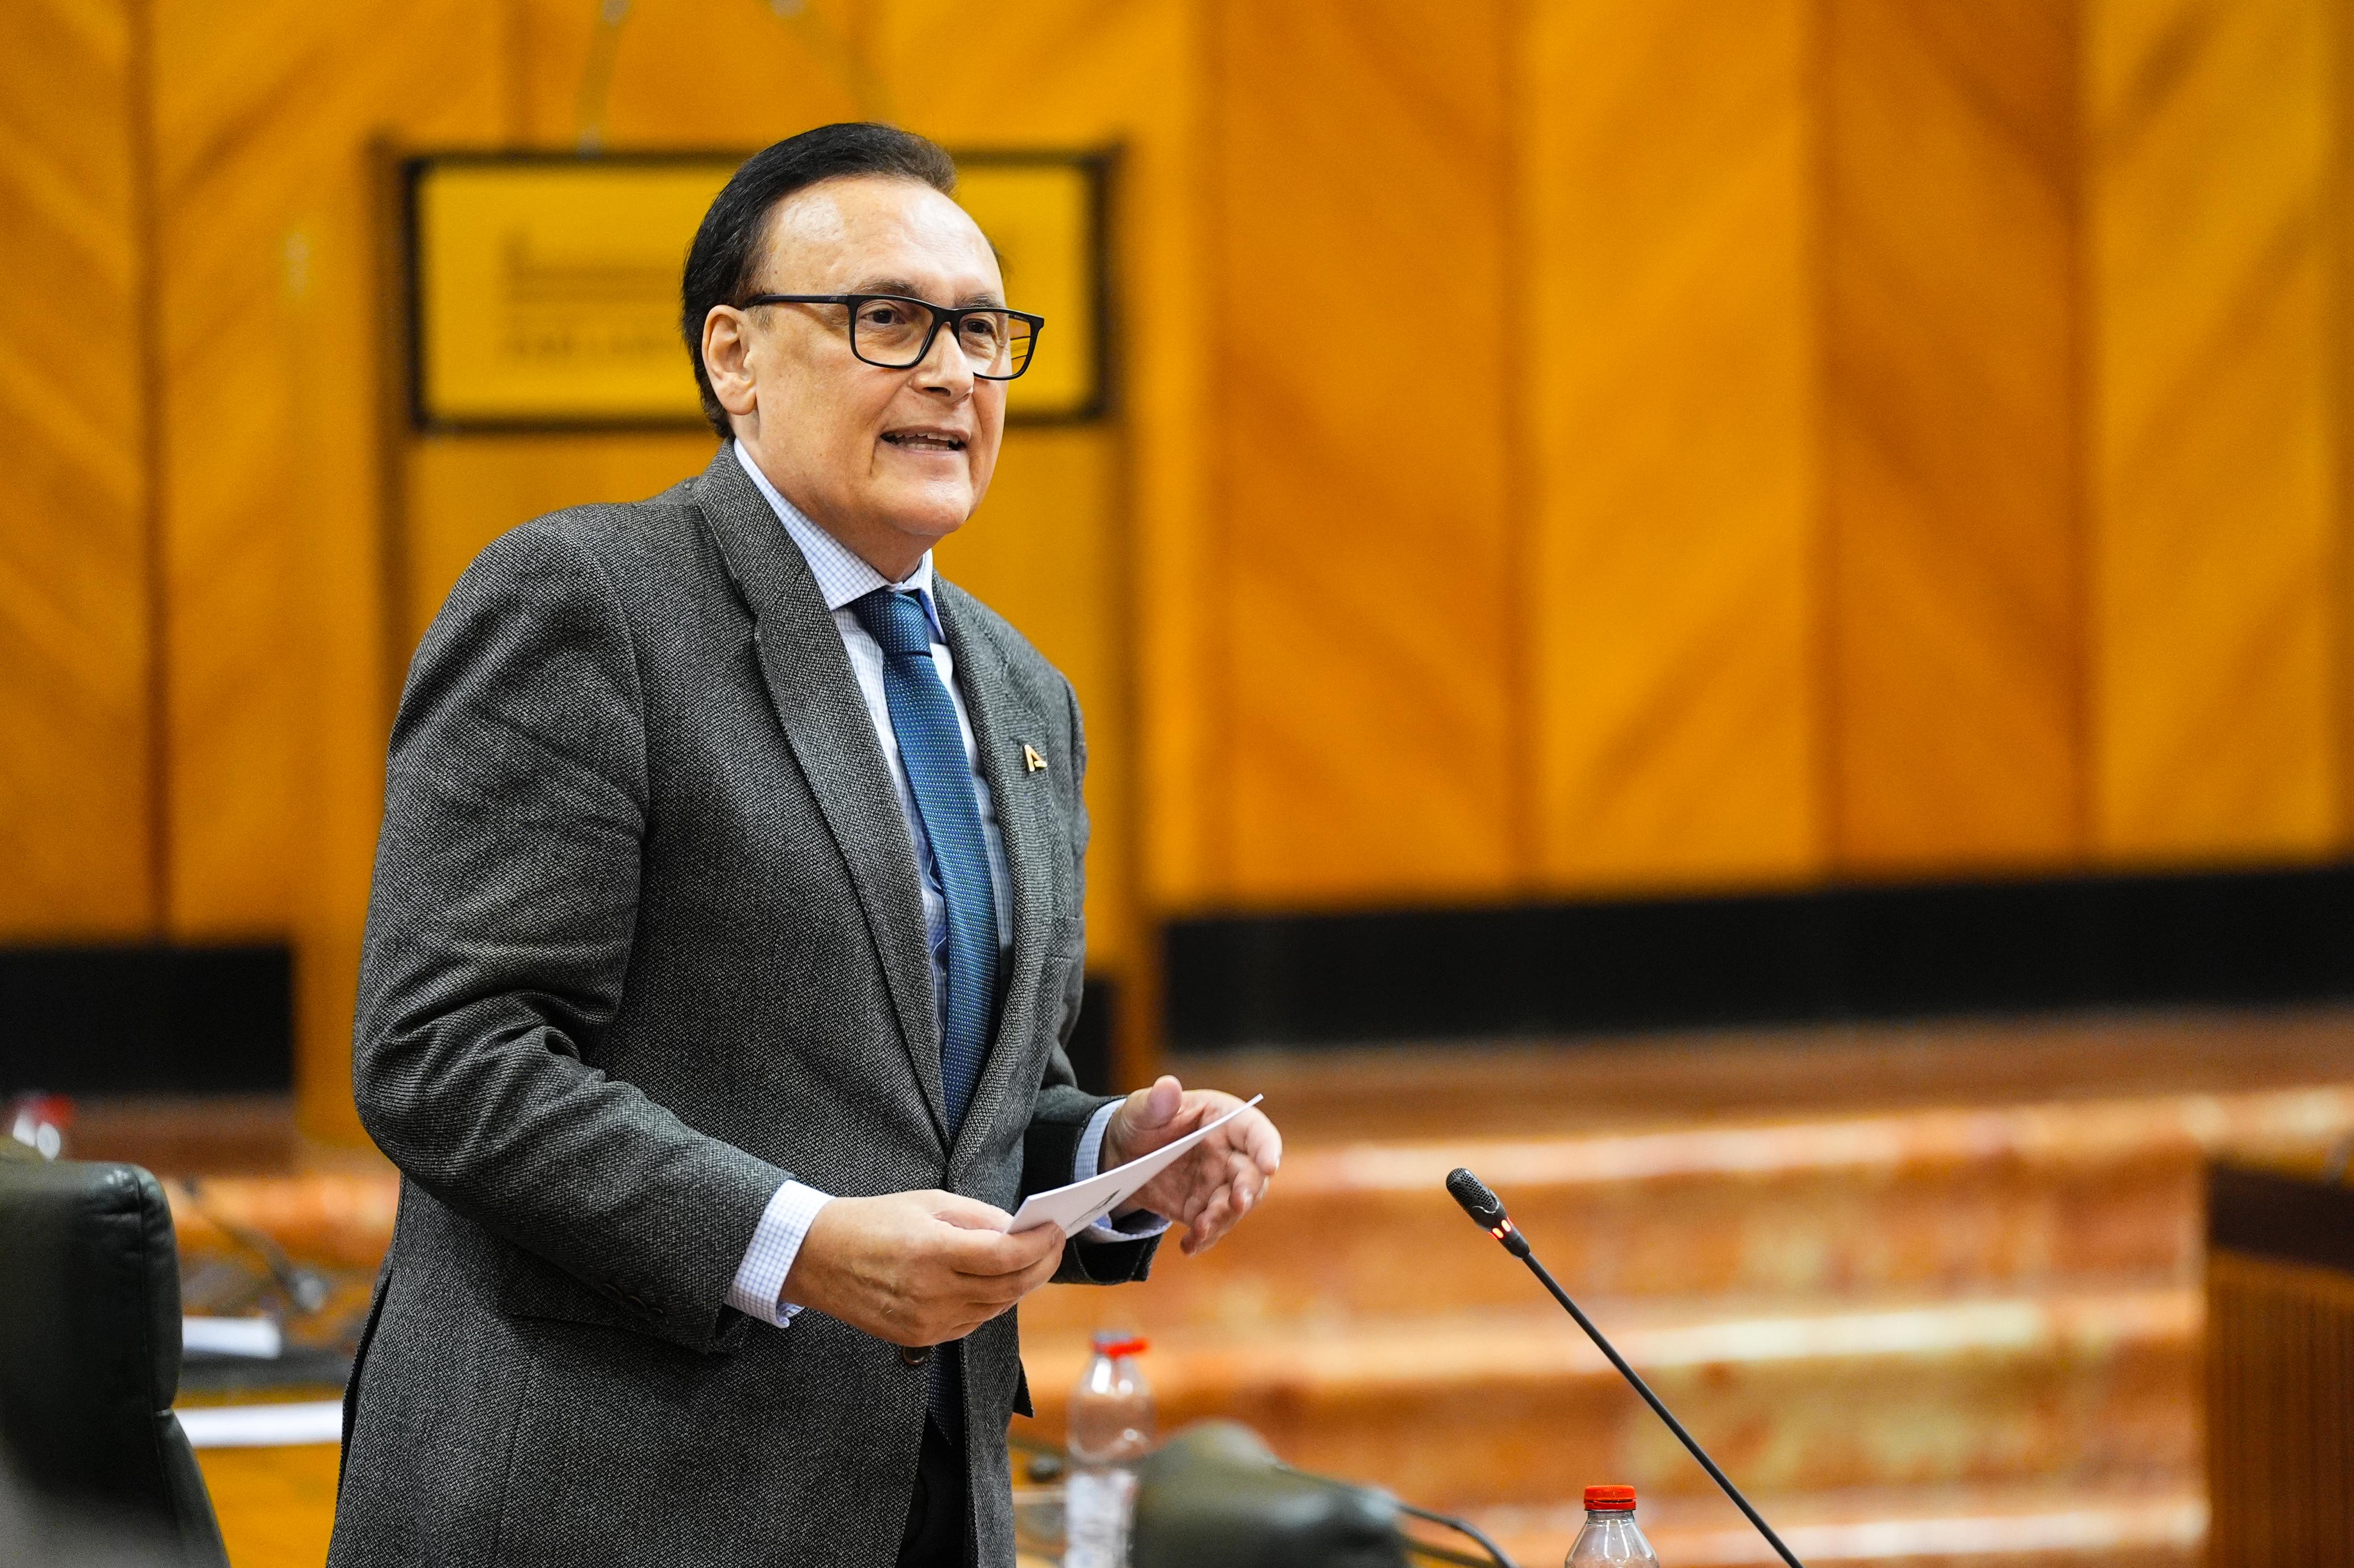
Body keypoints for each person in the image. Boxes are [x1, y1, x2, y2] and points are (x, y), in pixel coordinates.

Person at [327, 123, 1282, 1568]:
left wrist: (1105, 1151)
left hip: (916, 1500)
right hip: (608, 1495)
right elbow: (445, 1055)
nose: (954, 372)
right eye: (887, 321)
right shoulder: (589, 604)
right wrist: (799, 1243)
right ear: (734, 356)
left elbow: (932, 1112)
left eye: (980, 330)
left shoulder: (1025, 694)